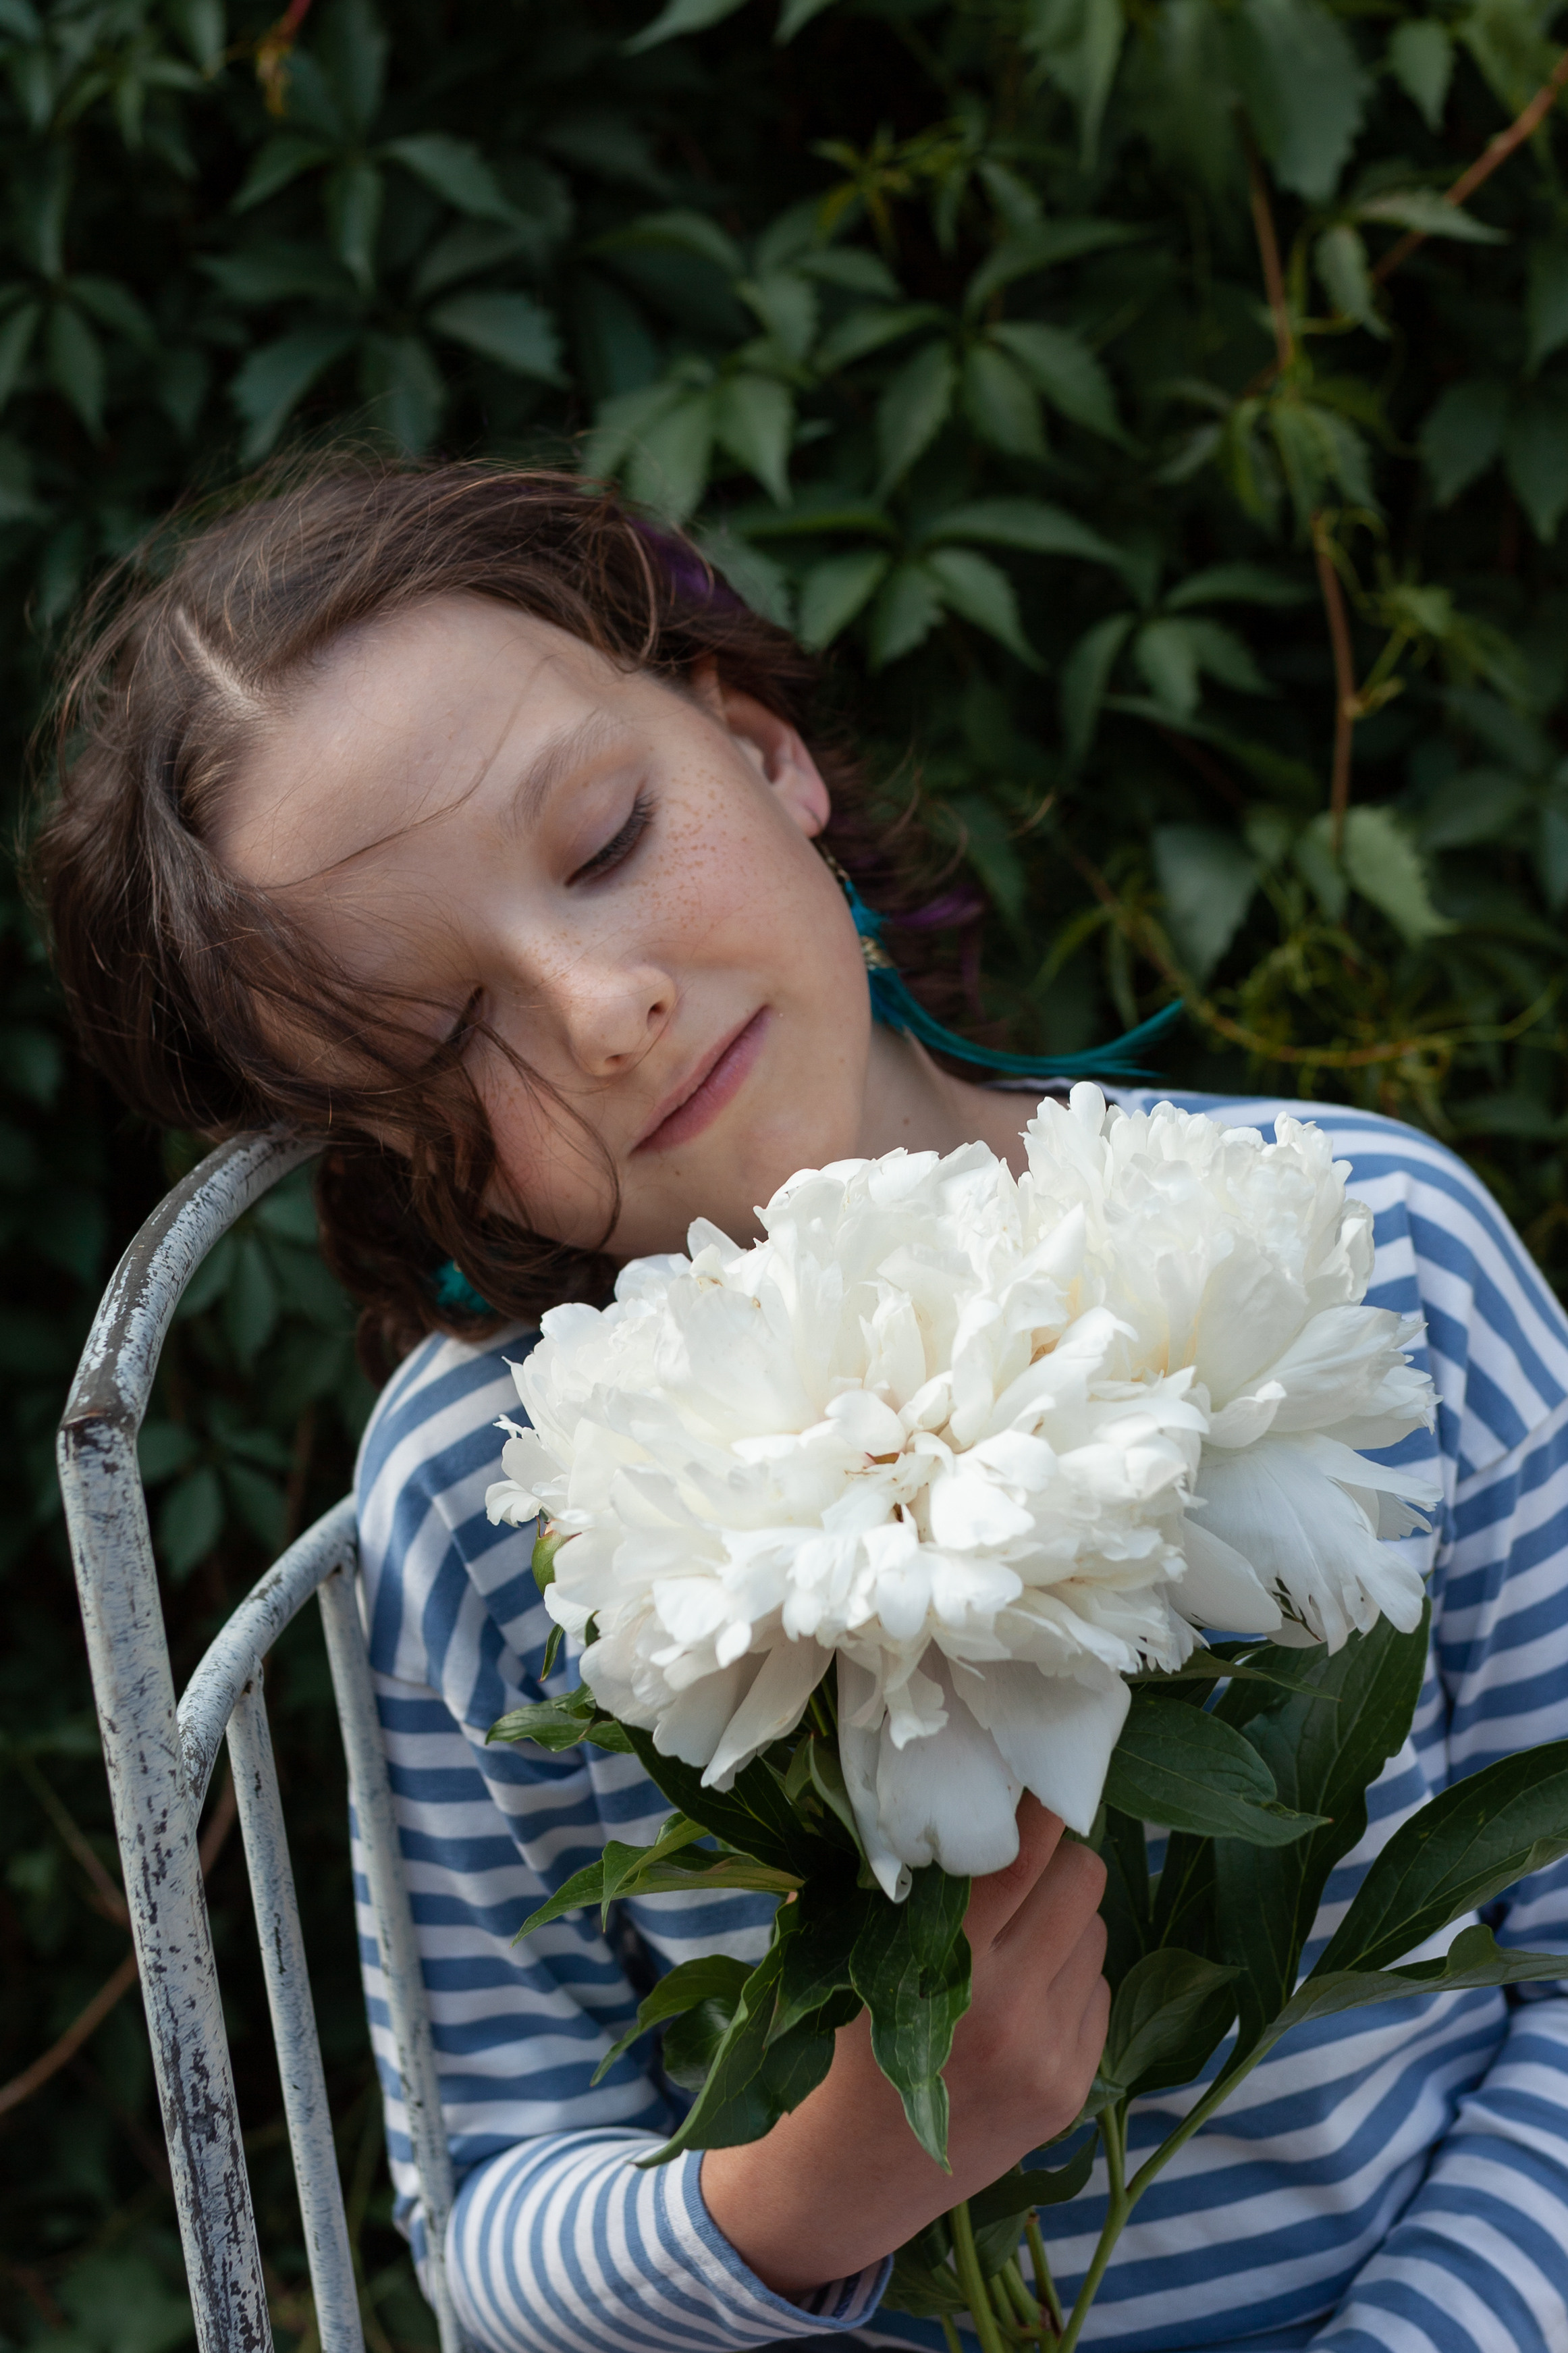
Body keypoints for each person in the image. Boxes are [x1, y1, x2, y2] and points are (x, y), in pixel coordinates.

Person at [35, 458, 1568, 2353]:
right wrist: (818, 2185)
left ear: (762, 754)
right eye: (441, 1041)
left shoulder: (1365, 1257)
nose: (600, 1010)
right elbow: (491, 2209)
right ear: (406, 1159)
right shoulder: (481, 1499)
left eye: (602, 841)